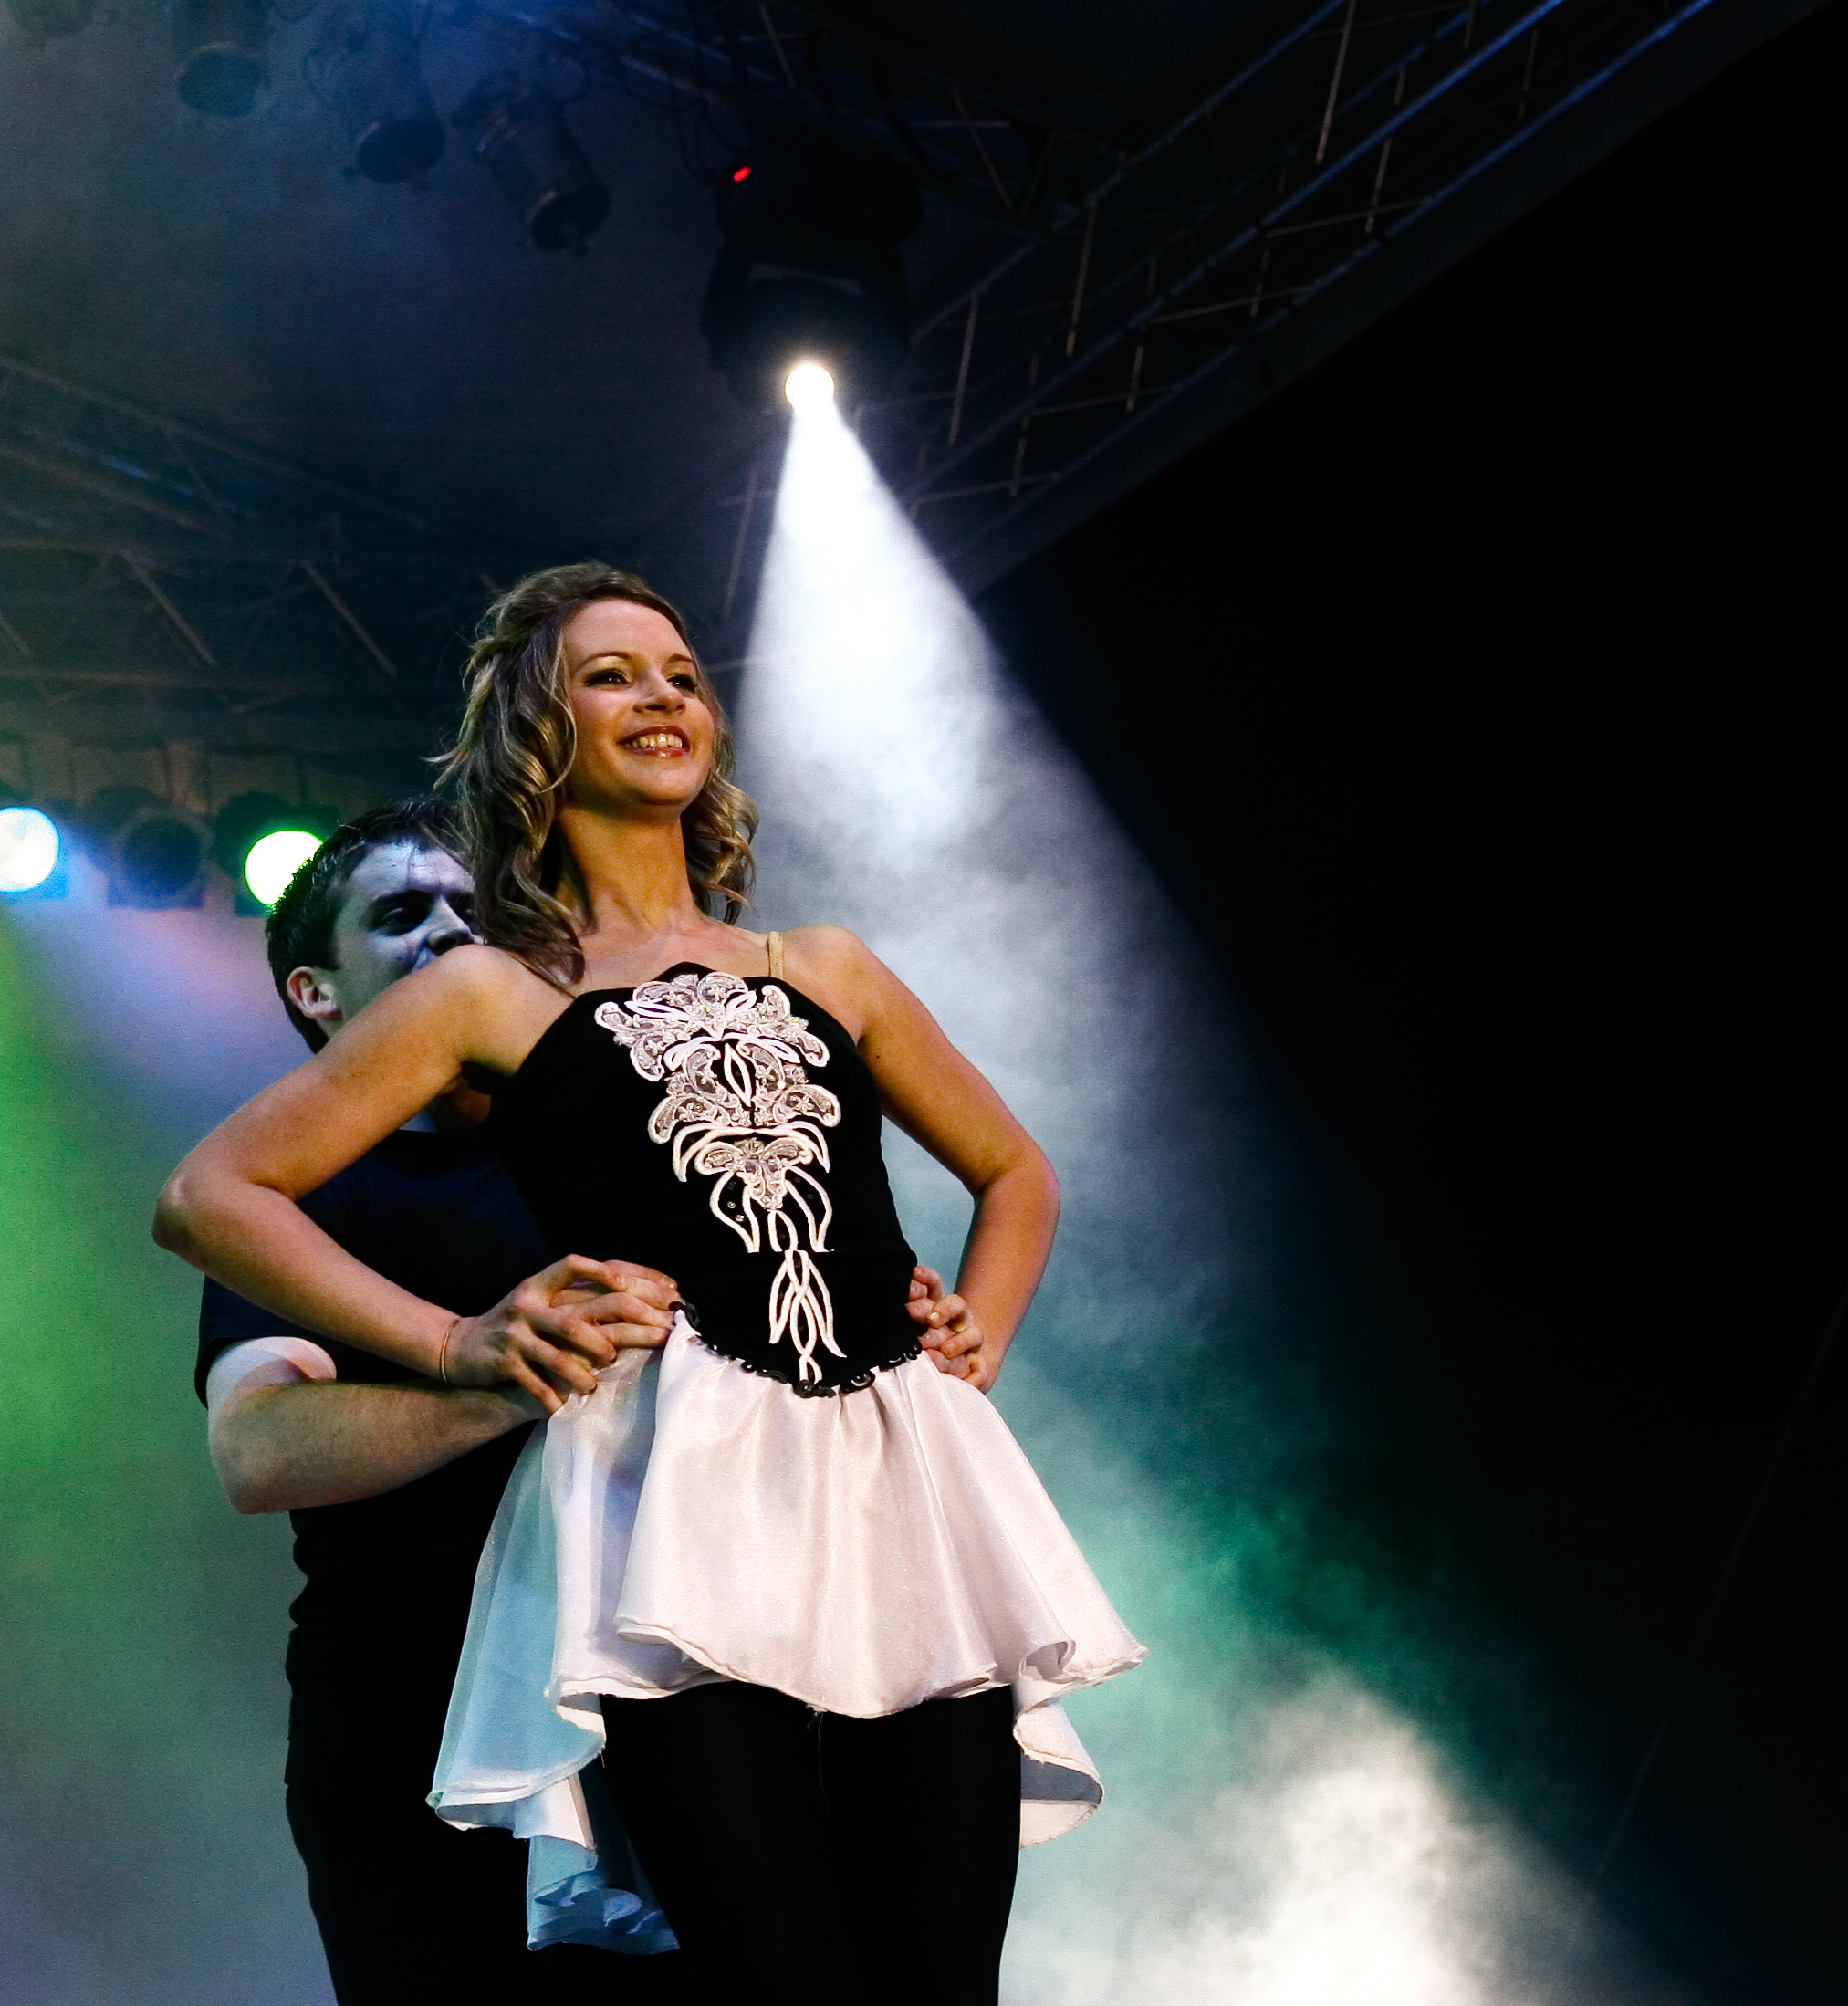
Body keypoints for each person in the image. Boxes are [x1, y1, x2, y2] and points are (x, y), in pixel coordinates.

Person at [160, 568, 1143, 2006]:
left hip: (900, 1482)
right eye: (614, 674)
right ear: (537, 732)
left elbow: (1018, 1170)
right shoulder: (485, 994)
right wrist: (457, 1342)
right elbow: (209, 1195)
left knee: (939, 1977)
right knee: (776, 1975)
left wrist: (977, 1323)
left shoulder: (823, 964)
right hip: (679, 1505)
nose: (663, 695)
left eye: (681, 672)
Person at [201, 795, 987, 2004]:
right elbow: (258, 1452)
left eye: (478, 907)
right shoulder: (321, 1205)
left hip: (677, 1700)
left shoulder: (620, 1148)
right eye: (403, 913)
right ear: (318, 992)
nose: (454, 935)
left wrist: (906, 1315)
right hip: (412, 1723)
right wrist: (499, 1374)